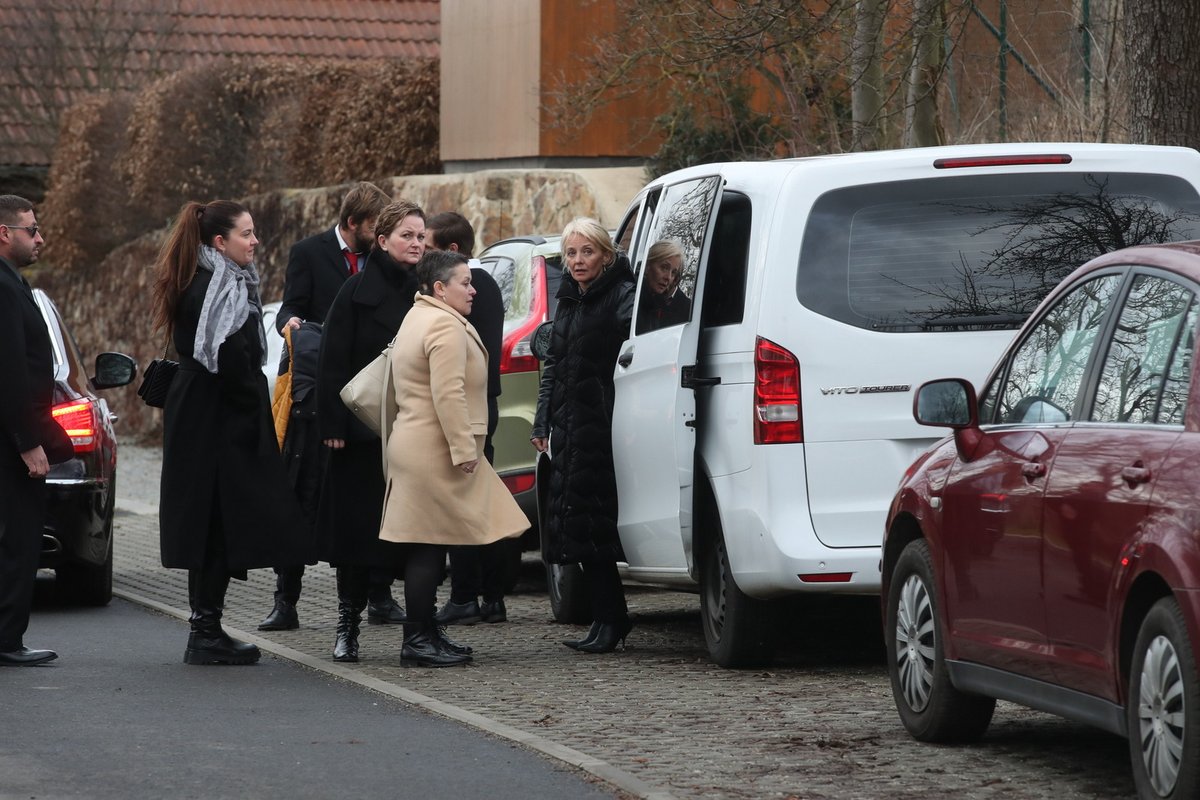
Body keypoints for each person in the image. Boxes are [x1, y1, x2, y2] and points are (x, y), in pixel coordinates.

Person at [152, 199, 309, 665]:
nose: (255, 241)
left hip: (210, 418)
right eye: (246, 234)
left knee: (214, 524)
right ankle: (205, 633)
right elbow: (229, 361)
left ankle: (207, 628)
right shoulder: (214, 287)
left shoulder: (214, 280)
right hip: (217, 422)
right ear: (219, 242)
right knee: (216, 524)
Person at [260, 180, 405, 630]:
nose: (381, 234)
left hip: (371, 393)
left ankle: (378, 596)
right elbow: (288, 309)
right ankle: (286, 602)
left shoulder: (387, 265)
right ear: (354, 224)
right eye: (374, 227)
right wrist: (295, 322)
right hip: (318, 388)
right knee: (302, 494)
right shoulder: (309, 252)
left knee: (367, 501)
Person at [379, 249, 528, 666]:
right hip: (434, 449)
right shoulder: (443, 326)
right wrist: (465, 450)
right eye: (465, 282)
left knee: (432, 542)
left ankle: (426, 633)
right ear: (440, 288)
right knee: (427, 547)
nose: (473, 289)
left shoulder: (420, 316)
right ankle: (417, 641)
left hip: (418, 444)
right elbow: (449, 393)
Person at [315, 200, 426, 662]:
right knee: (357, 537)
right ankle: (347, 627)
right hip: (362, 433)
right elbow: (332, 358)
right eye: (407, 235)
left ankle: (421, 628)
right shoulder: (356, 290)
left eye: (421, 236)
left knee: (416, 532)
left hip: (412, 431)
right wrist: (333, 424)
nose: (416, 243)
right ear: (381, 240)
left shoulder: (427, 291)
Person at [531, 218, 635, 654]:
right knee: (577, 526)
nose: (576, 261)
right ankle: (605, 618)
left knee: (594, 526)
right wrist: (541, 422)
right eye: (570, 254)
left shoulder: (621, 296)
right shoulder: (570, 300)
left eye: (586, 252)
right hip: (570, 427)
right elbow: (553, 362)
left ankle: (613, 619)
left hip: (607, 423)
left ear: (605, 255)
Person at [425, 211, 512, 626]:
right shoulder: (486, 284)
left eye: (428, 245)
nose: (421, 252)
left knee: (466, 500)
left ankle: (467, 595)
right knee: (479, 497)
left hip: (471, 406)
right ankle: (490, 596)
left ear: (451, 249)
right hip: (479, 403)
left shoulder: (474, 288)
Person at [0, 195, 68, 667]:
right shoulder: (3, 287)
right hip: (10, 444)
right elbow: (9, 371)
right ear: (4, 233)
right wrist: (28, 443)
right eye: (31, 229)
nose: (39, 238)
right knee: (18, 540)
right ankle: (6, 639)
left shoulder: (11, 283)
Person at [638, 240, 691, 331]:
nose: (669, 277)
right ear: (647, 266)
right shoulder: (630, 296)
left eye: (673, 273)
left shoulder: (689, 311)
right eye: (664, 267)